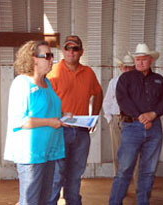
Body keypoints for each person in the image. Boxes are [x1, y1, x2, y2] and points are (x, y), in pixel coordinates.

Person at [109, 43, 163, 205]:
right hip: (131, 128)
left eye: (143, 59)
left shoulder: (159, 80)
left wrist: (153, 114)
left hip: (154, 129)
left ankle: (143, 202)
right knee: (124, 170)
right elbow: (123, 100)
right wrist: (141, 117)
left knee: (148, 171)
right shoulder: (125, 79)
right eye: (137, 59)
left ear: (151, 60)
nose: (140, 63)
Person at [4, 40, 65, 205]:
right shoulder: (22, 83)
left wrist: (65, 116)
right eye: (47, 56)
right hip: (31, 154)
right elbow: (19, 120)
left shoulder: (48, 83)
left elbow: (50, 111)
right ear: (33, 59)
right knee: (30, 201)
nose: (52, 59)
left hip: (48, 151)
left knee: (45, 200)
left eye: (52, 55)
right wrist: (49, 122)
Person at [47, 35, 103, 205]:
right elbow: (45, 101)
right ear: (63, 51)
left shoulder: (88, 73)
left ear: (81, 52)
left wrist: (94, 117)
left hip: (81, 131)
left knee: (75, 175)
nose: (71, 52)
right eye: (68, 48)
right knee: (56, 175)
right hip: (59, 130)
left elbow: (98, 93)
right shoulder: (53, 72)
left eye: (75, 48)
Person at [102, 54, 139, 187]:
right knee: (118, 152)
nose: (127, 70)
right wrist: (110, 119)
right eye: (125, 67)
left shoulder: (139, 82)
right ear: (121, 67)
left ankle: (136, 185)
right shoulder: (114, 82)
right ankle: (120, 184)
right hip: (118, 119)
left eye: (130, 67)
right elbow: (106, 102)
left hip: (134, 121)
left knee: (136, 153)